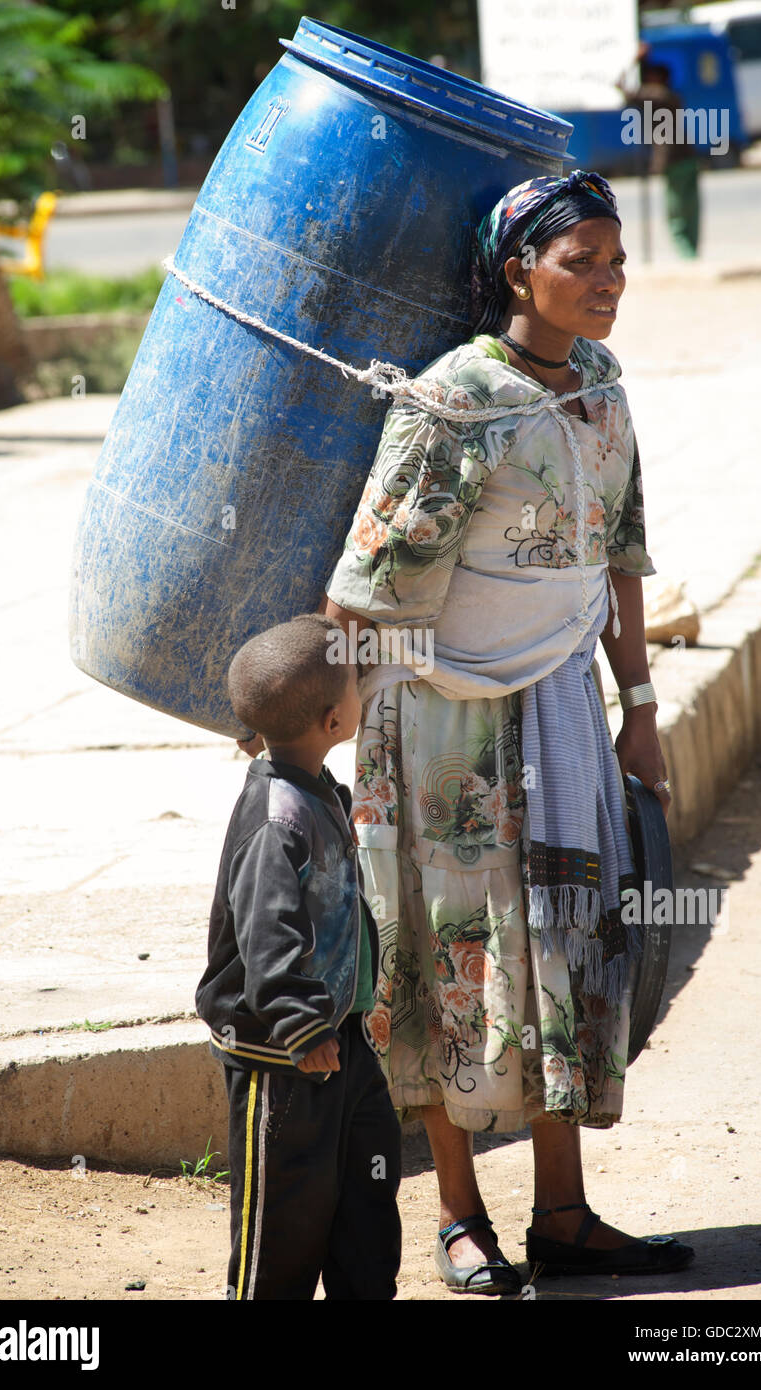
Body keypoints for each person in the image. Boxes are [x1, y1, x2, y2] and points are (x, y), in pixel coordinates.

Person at [320, 170, 695, 1294]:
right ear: (516, 269)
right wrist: (333, 735)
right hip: (440, 726)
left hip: (564, 712)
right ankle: (458, 1215)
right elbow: (365, 586)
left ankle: (564, 1212)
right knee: (449, 954)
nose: (606, 281)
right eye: (579, 259)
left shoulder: (603, 386)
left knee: (562, 945)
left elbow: (619, 555)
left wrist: (639, 710)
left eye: (615, 260)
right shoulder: (454, 401)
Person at [196, 612, 402, 1300]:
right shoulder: (276, 821)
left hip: (339, 1045)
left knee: (364, 1203)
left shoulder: (316, 789)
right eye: (353, 682)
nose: (360, 689)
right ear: (332, 718)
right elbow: (266, 933)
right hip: (280, 1058)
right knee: (281, 1222)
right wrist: (300, 1023)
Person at [619, 48, 701, 259]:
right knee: (690, 211)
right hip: (688, 158)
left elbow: (621, 85)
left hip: (673, 162)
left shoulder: (657, 96)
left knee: (676, 215)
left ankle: (687, 256)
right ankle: (692, 254)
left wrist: (633, 61)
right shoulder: (671, 96)